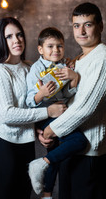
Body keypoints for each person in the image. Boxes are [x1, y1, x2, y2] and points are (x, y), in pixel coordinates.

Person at [39, 2, 106, 199]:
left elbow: (85, 108)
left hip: (89, 152)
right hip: (70, 146)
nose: (82, 31)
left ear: (100, 26)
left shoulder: (103, 58)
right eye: (77, 25)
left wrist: (51, 130)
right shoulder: (80, 59)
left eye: (88, 24)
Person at [0, 17, 66, 199]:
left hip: (26, 146)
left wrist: (39, 131)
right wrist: (48, 112)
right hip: (3, 146)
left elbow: (31, 104)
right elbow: (7, 114)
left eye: (19, 35)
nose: (16, 40)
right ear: (0, 41)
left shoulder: (30, 68)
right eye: (9, 36)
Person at [25, 27, 87, 198]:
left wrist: (73, 79)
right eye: (50, 46)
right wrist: (41, 94)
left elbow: (66, 94)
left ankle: (47, 194)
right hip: (44, 114)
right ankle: (40, 165)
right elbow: (29, 101)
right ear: (40, 49)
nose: (55, 50)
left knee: (54, 155)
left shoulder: (62, 66)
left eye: (59, 46)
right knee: (79, 141)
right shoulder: (36, 70)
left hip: (61, 113)